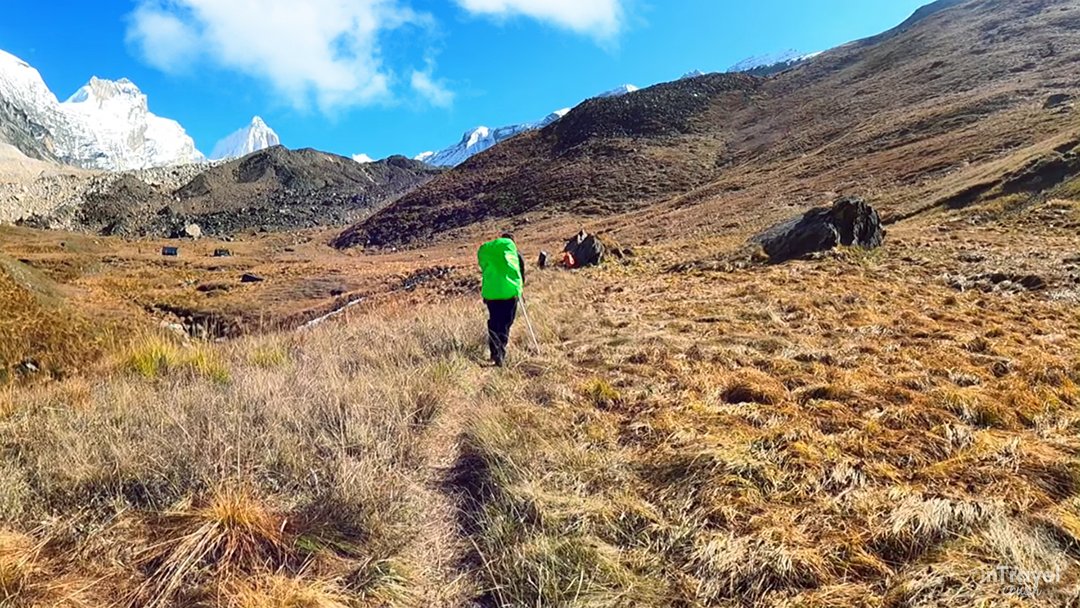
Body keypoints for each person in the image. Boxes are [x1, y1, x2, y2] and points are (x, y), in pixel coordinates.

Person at [477, 233, 526, 367]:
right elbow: (520, 276)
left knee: (494, 321)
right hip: (510, 294)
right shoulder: (515, 256)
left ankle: (495, 354)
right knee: (505, 323)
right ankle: (500, 356)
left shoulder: (492, 255)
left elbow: (485, 272)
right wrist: (520, 292)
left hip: (492, 294)